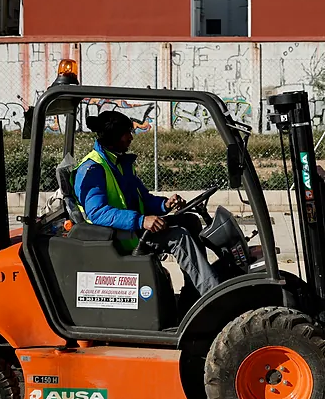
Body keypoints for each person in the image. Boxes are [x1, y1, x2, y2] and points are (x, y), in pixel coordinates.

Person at [74, 111, 220, 296]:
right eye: (127, 132)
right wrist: (142, 220)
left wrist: (165, 205)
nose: (131, 137)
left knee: (190, 221)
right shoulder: (93, 169)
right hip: (118, 236)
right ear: (115, 135)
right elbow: (98, 213)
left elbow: (142, 199)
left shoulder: (120, 163)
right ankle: (213, 295)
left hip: (132, 228)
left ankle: (193, 292)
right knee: (178, 236)